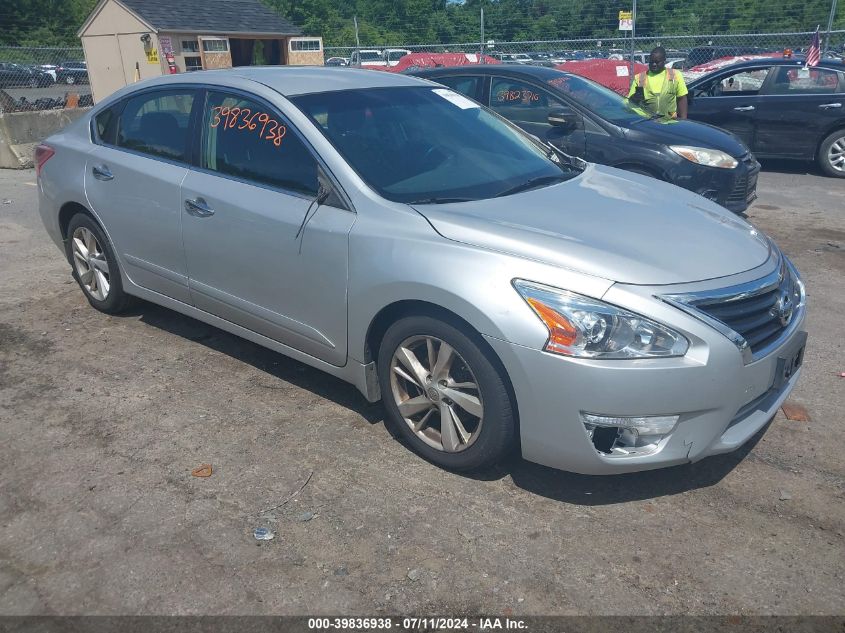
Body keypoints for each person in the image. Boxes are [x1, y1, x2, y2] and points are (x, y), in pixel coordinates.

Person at [627, 46, 688, 119]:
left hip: (670, 121)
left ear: (664, 61)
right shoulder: (640, 77)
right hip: (646, 122)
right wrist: (635, 97)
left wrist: (683, 120)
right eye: (651, 62)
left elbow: (682, 98)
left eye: (657, 62)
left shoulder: (675, 75)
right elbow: (630, 103)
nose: (654, 64)